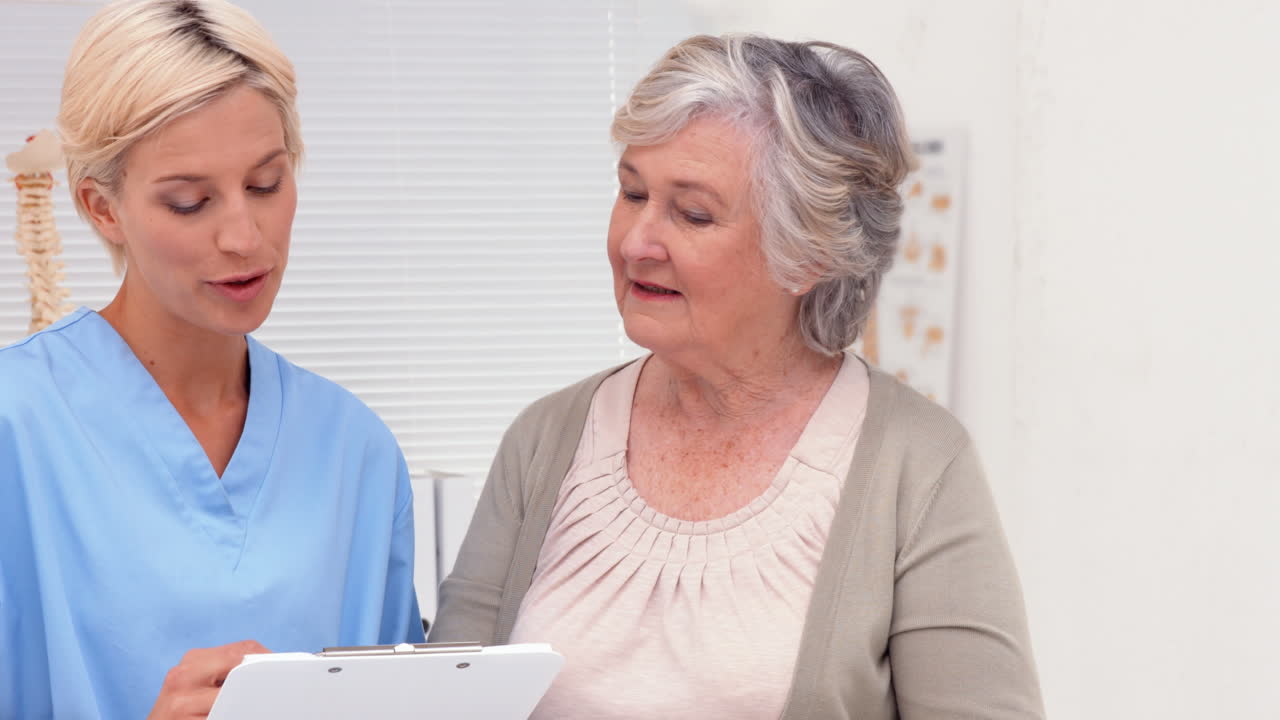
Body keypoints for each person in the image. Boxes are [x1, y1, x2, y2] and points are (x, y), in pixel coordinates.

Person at [431, 34, 1044, 719]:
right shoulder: (546, 440)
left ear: (807, 252)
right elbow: (449, 701)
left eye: (692, 213)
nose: (636, 242)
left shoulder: (918, 465)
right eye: (632, 194)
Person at [0, 2, 423, 718]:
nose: (244, 237)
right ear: (102, 208)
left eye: (266, 184)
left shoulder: (356, 453)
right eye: (191, 201)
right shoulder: (18, 430)